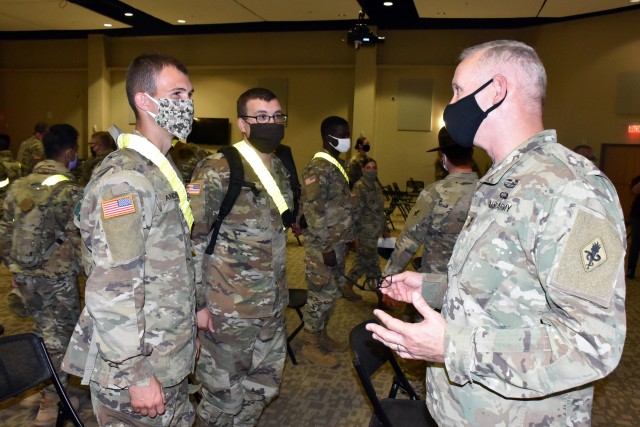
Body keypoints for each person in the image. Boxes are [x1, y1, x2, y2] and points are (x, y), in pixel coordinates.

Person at [367, 40, 627, 426]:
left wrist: (452, 347)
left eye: (457, 90)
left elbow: (592, 343)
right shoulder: (501, 181)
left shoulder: (573, 190)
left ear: (495, 91)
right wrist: (433, 287)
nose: (451, 105)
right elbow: (510, 286)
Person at [62, 52, 212, 427]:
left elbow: (172, 260)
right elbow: (112, 289)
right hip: (134, 367)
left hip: (165, 351)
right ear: (145, 101)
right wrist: (136, 374)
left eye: (189, 94)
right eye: (177, 94)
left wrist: (190, 323)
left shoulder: (159, 170)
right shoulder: (125, 181)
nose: (187, 104)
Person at [190, 87, 293, 426]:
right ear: (243, 124)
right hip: (228, 309)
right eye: (261, 117)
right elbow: (193, 241)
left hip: (272, 303)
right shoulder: (217, 168)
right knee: (221, 395)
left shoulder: (279, 168)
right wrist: (198, 304)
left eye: (277, 117)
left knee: (262, 385)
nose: (272, 124)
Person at [0, 123, 83, 426]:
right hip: (56, 279)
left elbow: (4, 233)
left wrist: (14, 268)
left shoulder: (18, 186)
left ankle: (42, 386)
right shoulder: (69, 191)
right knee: (59, 338)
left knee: (40, 331)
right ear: (70, 152)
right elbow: (82, 238)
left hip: (23, 276)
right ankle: (52, 400)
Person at [382, 126, 478, 310]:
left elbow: (409, 240)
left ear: (443, 157)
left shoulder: (434, 193)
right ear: (471, 153)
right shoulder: (489, 192)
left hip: (433, 286)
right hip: (472, 287)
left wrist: (389, 277)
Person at [299, 115, 356, 368]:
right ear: (327, 137)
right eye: (341, 134)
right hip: (324, 246)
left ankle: (321, 335)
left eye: (347, 133)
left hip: (337, 243)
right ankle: (310, 345)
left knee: (331, 294)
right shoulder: (318, 167)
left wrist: (348, 237)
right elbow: (313, 210)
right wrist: (325, 247)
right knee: (320, 296)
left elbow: (339, 206)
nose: (346, 139)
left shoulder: (335, 164)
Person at [345, 157, 388, 301]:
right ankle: (380, 293)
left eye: (374, 168)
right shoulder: (359, 187)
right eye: (368, 168)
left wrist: (385, 229)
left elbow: (380, 211)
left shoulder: (376, 186)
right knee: (373, 263)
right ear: (362, 170)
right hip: (364, 233)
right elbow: (354, 214)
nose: (371, 171)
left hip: (376, 233)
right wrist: (354, 237)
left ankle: (347, 286)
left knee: (362, 262)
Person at [627, 175, 640, 279]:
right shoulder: (637, 179)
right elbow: (635, 191)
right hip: (637, 216)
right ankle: (631, 269)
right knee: (636, 243)